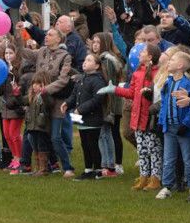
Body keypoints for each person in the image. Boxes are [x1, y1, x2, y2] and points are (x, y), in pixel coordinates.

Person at [15, 26, 75, 178]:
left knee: (55, 137)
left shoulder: (65, 56)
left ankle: (68, 167)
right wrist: (18, 35)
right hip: (39, 102)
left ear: (58, 39)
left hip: (56, 101)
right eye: (46, 34)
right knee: (32, 135)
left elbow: (63, 80)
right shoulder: (41, 51)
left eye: (50, 34)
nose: (46, 36)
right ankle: (46, 166)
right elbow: (23, 52)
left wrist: (45, 89)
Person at [104, 43, 162, 190]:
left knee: (153, 149)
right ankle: (144, 177)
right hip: (137, 119)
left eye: (142, 52)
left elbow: (157, 96)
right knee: (142, 150)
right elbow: (131, 93)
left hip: (149, 119)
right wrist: (115, 89)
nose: (139, 53)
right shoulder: (137, 73)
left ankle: (156, 178)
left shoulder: (158, 73)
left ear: (150, 56)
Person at [155, 50, 190, 201]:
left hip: (184, 129)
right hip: (169, 127)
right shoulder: (168, 82)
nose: (169, 62)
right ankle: (167, 186)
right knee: (168, 158)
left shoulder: (189, 84)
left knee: (188, 159)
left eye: (172, 60)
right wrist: (161, 122)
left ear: (180, 65)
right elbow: (164, 104)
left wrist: (186, 124)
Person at [67, 52, 108, 180]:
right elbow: (74, 95)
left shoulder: (98, 80)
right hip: (82, 119)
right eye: (85, 59)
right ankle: (88, 169)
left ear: (96, 66)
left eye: (89, 60)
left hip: (92, 118)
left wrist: (81, 109)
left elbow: (97, 99)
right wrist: (66, 103)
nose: (85, 62)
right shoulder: (81, 79)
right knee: (85, 144)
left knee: (92, 144)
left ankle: (98, 170)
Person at [91, 32, 125, 176]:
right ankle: (109, 162)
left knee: (112, 132)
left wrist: (107, 106)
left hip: (110, 102)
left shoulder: (107, 60)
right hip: (109, 101)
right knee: (107, 132)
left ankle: (116, 163)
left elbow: (108, 83)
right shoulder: (101, 59)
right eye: (93, 42)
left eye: (98, 42)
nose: (95, 45)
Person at [0, 45, 25, 171]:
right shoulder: (2, 68)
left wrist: (12, 71)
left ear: (16, 54)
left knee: (14, 134)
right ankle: (14, 157)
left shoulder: (19, 68)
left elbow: (21, 85)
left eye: (10, 52)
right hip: (5, 105)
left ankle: (20, 159)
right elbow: (0, 89)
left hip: (16, 106)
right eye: (6, 53)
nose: (8, 55)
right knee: (7, 134)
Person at [24, 72, 53, 176]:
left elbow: (50, 104)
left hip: (42, 127)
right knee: (35, 147)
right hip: (33, 127)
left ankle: (44, 169)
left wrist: (44, 93)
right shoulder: (32, 96)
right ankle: (38, 168)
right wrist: (17, 94)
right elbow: (21, 101)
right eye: (33, 84)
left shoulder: (45, 96)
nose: (34, 86)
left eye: (38, 84)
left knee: (42, 146)